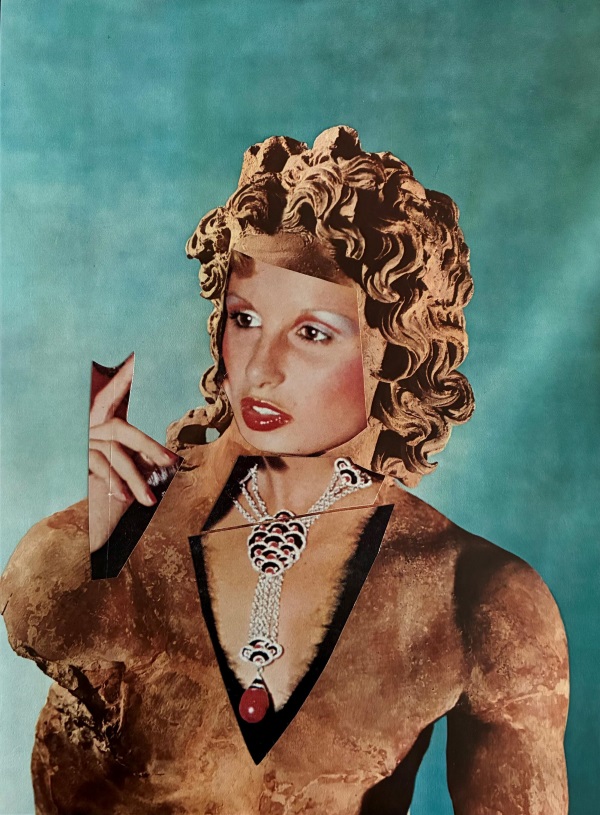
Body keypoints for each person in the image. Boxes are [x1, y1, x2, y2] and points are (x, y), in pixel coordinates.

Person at [0, 126, 568, 814]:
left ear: (392, 354)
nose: (261, 369)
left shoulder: (477, 604)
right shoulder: (104, 544)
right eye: (245, 320)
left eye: (311, 333)